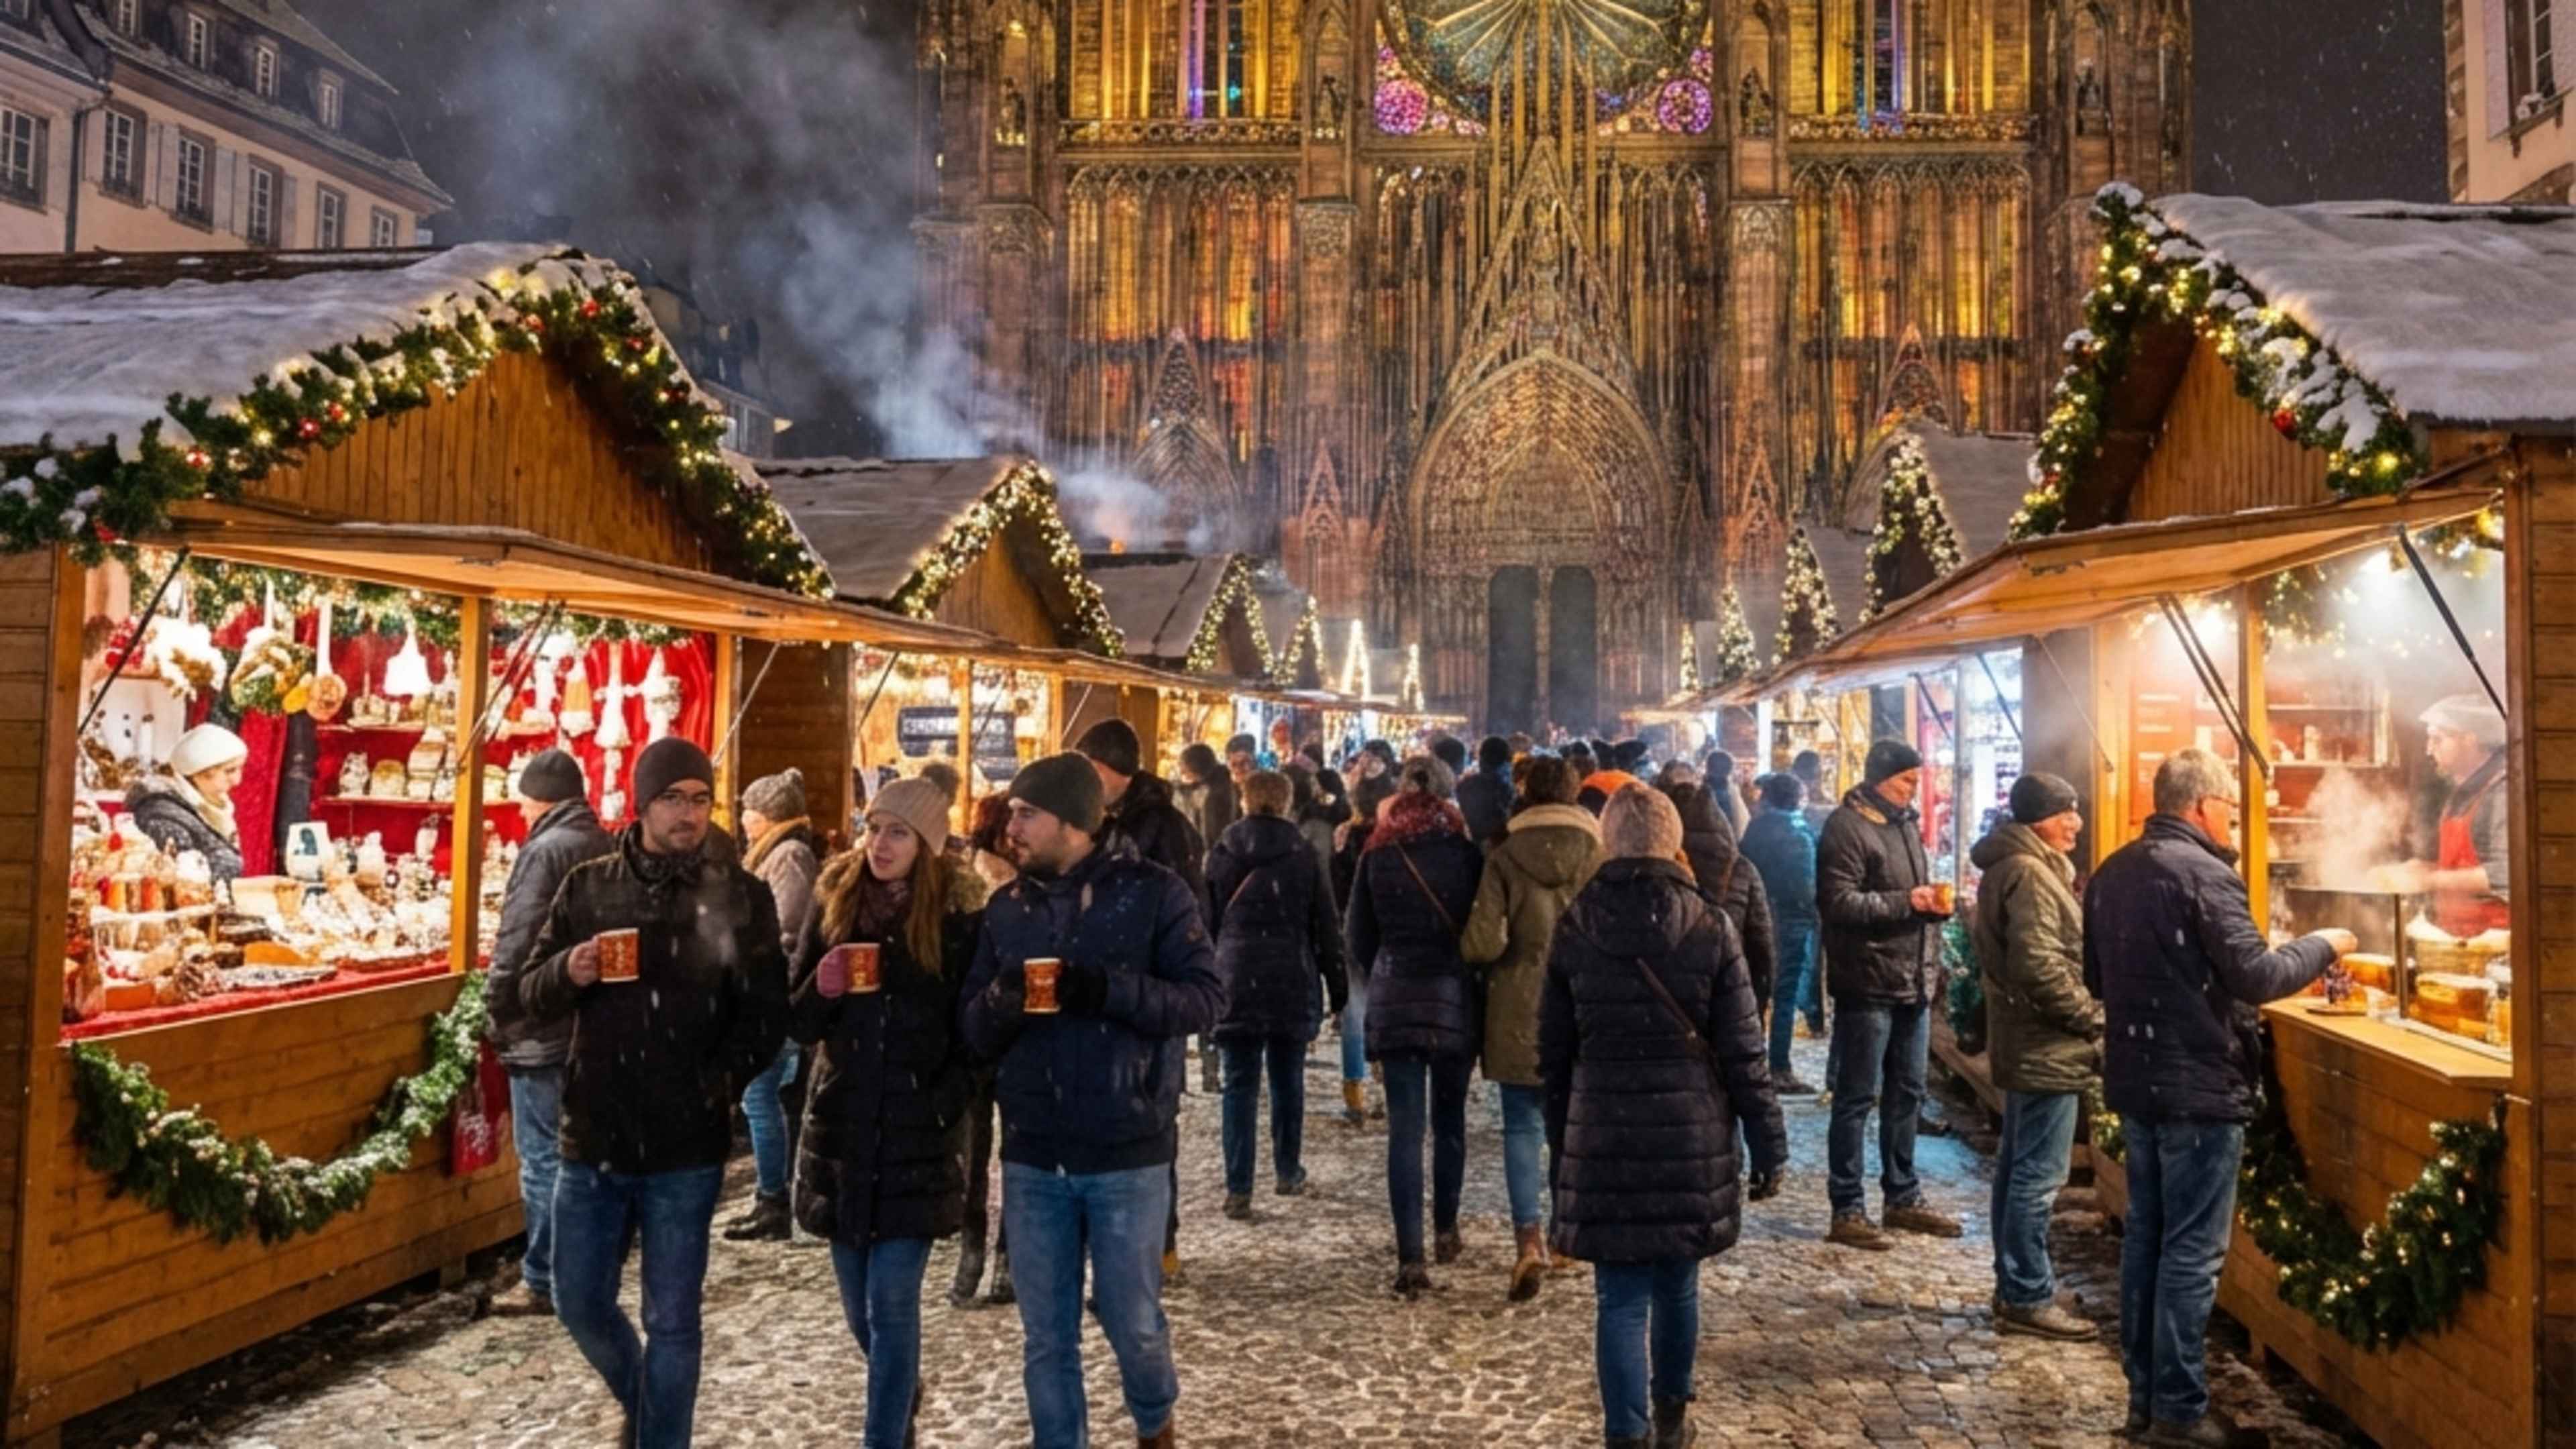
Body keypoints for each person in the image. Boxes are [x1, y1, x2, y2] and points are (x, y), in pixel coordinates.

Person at [494, 737, 788, 1448]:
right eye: (672, 799)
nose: (688, 815)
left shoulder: (739, 893)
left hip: (687, 1145)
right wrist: (572, 968)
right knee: (579, 1300)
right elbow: (525, 993)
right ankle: (649, 1407)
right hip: (594, 1134)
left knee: (674, 1320)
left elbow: (766, 1014)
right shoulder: (589, 887)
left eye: (700, 799)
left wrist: (716, 1080)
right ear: (641, 803)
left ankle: (662, 1440)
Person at [2086, 750, 2351, 1446]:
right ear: (2203, 806)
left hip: (2138, 1080)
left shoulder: (2113, 872)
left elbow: (2095, 976)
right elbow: (2258, 976)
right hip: (2198, 1087)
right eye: (2231, 806)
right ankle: (2177, 1409)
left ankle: (2146, 1401)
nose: (2233, 818)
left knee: (2147, 1240)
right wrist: (2325, 944)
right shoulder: (2207, 874)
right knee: (2190, 1254)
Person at [961, 753, 1224, 1449]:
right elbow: (973, 1032)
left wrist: (1105, 990)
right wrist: (1001, 1000)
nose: (1009, 825)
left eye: (1025, 813)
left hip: (1126, 1146)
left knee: (1131, 1320)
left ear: (1073, 822)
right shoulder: (1005, 910)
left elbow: (1204, 999)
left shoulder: (1155, 894)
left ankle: (1153, 1420)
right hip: (1034, 1150)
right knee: (1047, 1337)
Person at [1543, 784, 1787, 1449]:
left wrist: (1561, 1142)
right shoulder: (1709, 924)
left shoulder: (1575, 922)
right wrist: (1769, 1144)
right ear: (1673, 842)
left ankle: (1627, 1433)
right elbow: (1743, 1050)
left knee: (1619, 1297)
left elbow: (1554, 1054)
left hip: (1603, 1130)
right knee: (1677, 1283)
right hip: (1690, 1132)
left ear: (1607, 842)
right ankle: (1673, 1415)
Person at [787, 777, 985, 1448]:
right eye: (874, 828)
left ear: (927, 845)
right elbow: (799, 1017)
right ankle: (900, 1391)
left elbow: (972, 1034)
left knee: (892, 1303)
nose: (880, 843)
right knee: (857, 1311)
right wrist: (824, 985)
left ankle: (884, 1437)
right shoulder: (835, 902)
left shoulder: (958, 922)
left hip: (917, 1134)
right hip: (843, 1128)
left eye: (898, 831)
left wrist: (943, 1100)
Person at [1458, 754, 1599, 1301]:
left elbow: (1483, 943)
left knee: (1521, 1127)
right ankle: (1568, 1235)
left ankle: (1529, 1242)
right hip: (1581, 1006)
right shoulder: (1598, 852)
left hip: (1518, 1008)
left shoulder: (1503, 854)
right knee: (1571, 1125)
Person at [1344, 755, 1483, 1297]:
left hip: (1398, 993)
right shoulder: (1466, 855)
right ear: (1450, 799)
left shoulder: (1377, 857)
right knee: (1449, 1119)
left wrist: (1387, 966)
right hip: (1453, 996)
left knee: (1405, 1128)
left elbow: (1357, 937)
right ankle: (1446, 1228)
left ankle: (1411, 1257)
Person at [1971, 771, 2102, 1341]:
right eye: (2063, 812)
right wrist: (2092, 1016)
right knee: (2037, 1177)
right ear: (2035, 820)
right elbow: (2038, 964)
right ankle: (2026, 1292)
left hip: (2028, 1042)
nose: (2075, 822)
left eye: (2075, 810)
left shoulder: (2023, 866)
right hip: (2044, 1045)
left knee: (2018, 1169)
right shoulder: (2028, 872)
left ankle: (2015, 1286)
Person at [1075, 716, 1209, 1277]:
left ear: (1109, 771)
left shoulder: (1161, 829)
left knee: (1152, 1120)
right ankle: (1114, 1247)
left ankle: (1160, 1242)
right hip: (1101, 993)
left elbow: (1184, 916)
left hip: (1151, 999)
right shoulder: (1101, 820)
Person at [482, 748, 613, 1318]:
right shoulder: (602, 841)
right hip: (586, 1021)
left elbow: (519, 937)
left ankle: (544, 1278)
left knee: (541, 1159)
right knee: (578, 1157)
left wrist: (500, 1006)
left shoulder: (544, 851)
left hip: (543, 1022)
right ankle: (582, 1269)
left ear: (537, 800)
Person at [1816, 739, 1960, 1251]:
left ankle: (1902, 1195)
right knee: (1857, 1097)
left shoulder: (1902, 825)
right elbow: (1838, 903)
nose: (1912, 789)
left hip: (1911, 983)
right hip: (1868, 983)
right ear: (1879, 779)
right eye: (1905, 780)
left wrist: (1931, 908)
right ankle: (1847, 1205)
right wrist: (1909, 901)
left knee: (1908, 1093)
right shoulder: (1847, 827)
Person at [1205, 769, 1347, 1216]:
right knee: (1288, 1080)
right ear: (1285, 802)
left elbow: (1204, 925)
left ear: (1244, 801)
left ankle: (1239, 1185)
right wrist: (1338, 990)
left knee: (1239, 1085)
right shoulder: (1302, 854)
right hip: (1290, 975)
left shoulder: (1222, 854)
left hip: (1235, 977)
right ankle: (1287, 1170)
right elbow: (1325, 925)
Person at [725, 767, 823, 1244]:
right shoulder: (783, 852)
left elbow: (787, 924)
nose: (743, 819)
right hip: (769, 989)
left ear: (768, 816)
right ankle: (774, 1195)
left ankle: (773, 1198)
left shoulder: (788, 856)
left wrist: (744, 940)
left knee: (759, 1097)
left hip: (775, 992)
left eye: (749, 810)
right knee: (766, 1096)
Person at [956, 790, 1020, 1306]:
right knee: (1008, 1151)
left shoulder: (964, 879)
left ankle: (975, 1253)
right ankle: (1001, 1259)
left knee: (975, 1153)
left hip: (978, 1029)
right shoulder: (1017, 888)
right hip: (1008, 1031)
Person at [1739, 773, 1824, 1094]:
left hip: (1756, 919)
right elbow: (1806, 889)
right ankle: (1779, 1068)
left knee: (1755, 992)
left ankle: (1752, 1061)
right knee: (1785, 995)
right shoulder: (1800, 835)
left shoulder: (1755, 830)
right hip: (1791, 923)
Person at [2399, 694, 2512, 936]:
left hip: (2495, 941)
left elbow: (2506, 873)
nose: (2429, 750)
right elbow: (2465, 864)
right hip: (2460, 937)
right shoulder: (2464, 789)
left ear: (2469, 739)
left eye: (2437, 739)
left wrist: (2430, 880)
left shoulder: (2502, 790)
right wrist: (2424, 868)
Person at [1665, 781, 1775, 1010]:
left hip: (1669, 1001)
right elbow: (1761, 946)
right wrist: (1757, 1005)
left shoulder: (1657, 870)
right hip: (1730, 995)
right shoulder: (1742, 870)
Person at [125, 723, 250, 881]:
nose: (237, 781)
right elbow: (183, 882)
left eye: (240, 769)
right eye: (229, 771)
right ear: (201, 772)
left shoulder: (206, 807)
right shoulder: (162, 817)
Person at [1174, 743, 1239, 858]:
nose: (1182, 774)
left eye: (1184, 770)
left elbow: (1211, 834)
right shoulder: (1224, 783)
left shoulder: (1215, 794)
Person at [1458, 735, 1516, 846]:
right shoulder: (1510, 786)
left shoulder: (1466, 785)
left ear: (1482, 758)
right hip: (1502, 845)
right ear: (1508, 759)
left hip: (1472, 846)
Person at [1700, 750, 1749, 839]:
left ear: (1708, 768)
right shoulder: (1731, 793)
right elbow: (1739, 828)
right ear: (1730, 771)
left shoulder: (1698, 792)